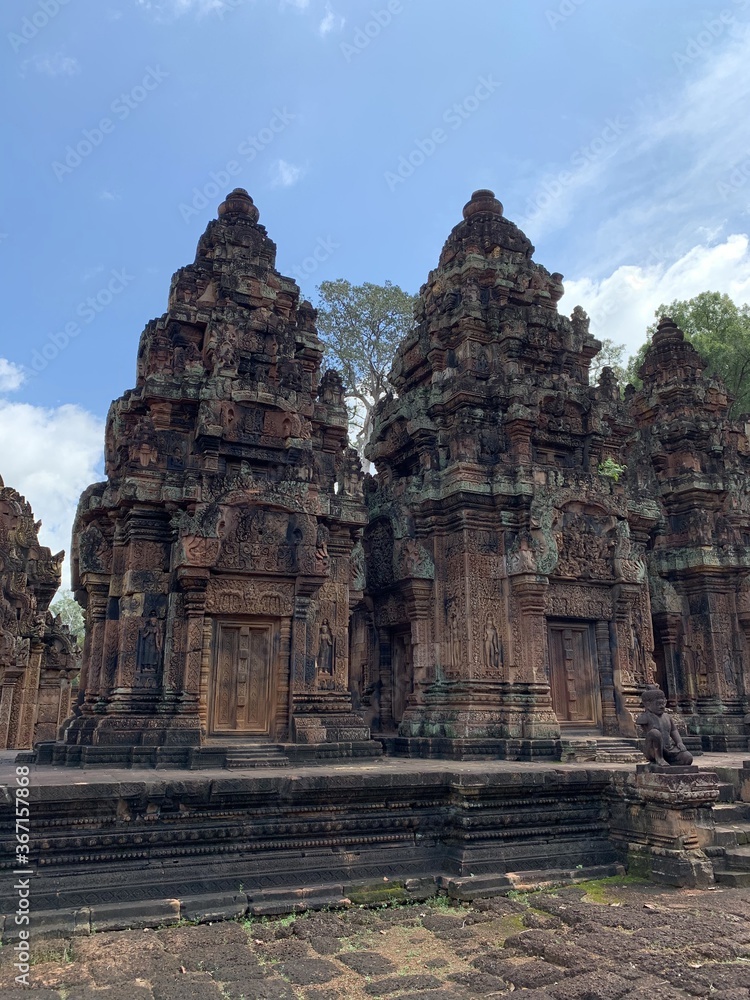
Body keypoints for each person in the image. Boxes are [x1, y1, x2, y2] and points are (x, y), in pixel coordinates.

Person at [636, 685, 693, 766]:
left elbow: (673, 730)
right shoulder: (645, 717)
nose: (662, 706)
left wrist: (679, 742)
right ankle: (659, 758)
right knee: (654, 733)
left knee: (688, 757)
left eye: (663, 703)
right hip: (653, 750)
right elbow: (642, 725)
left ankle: (670, 762)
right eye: (658, 704)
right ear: (648, 704)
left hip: (669, 748)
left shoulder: (667, 716)